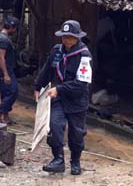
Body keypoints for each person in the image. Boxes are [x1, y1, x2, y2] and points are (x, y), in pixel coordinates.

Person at [34, 20, 93, 175]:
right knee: (54, 126)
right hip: (58, 100)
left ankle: (75, 161)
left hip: (77, 101)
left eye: (70, 37)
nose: (66, 40)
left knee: (77, 133)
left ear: (77, 37)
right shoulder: (56, 51)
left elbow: (81, 84)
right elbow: (47, 70)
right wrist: (37, 86)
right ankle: (58, 159)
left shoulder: (84, 55)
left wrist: (59, 89)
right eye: (64, 36)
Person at [0, 16, 20, 125]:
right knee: (14, 91)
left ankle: (5, 117)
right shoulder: (3, 40)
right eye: (15, 28)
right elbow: (1, 57)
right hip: (5, 71)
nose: (16, 31)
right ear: (12, 27)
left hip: (6, 69)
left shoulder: (3, 37)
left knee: (6, 93)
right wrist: (6, 74)